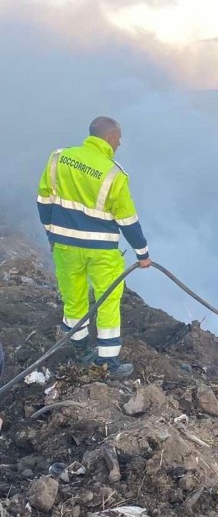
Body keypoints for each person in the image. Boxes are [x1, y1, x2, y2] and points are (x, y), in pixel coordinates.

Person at [37, 116, 151, 378]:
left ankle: (79, 351)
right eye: (119, 138)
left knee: (73, 297)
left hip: (65, 244)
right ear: (109, 137)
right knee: (107, 300)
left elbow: (43, 199)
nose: (119, 144)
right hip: (101, 251)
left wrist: (50, 233)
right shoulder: (114, 173)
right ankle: (108, 364)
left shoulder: (58, 157)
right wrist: (142, 254)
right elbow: (127, 220)